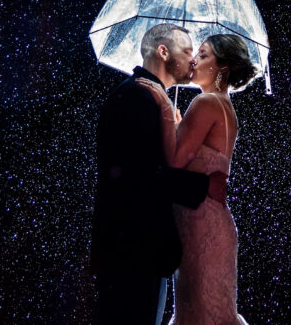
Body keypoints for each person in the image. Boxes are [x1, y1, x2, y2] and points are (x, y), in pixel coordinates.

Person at [91, 24, 229, 325]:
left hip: (140, 251)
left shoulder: (152, 99)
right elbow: (140, 176)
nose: (193, 60)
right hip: (129, 252)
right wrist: (204, 185)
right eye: (187, 51)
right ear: (163, 51)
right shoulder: (136, 98)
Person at [137, 33, 258, 325]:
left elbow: (176, 161)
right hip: (213, 221)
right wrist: (181, 128)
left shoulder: (205, 104)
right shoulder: (226, 108)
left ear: (222, 68)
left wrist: (167, 117)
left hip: (199, 224)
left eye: (203, 56)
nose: (194, 60)